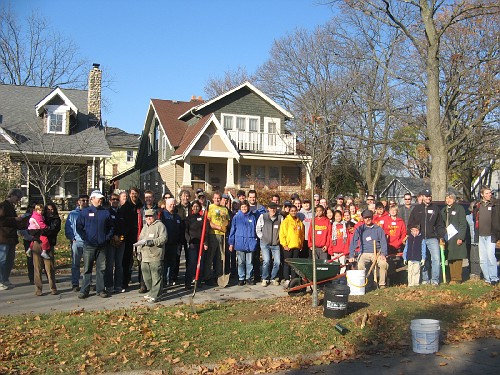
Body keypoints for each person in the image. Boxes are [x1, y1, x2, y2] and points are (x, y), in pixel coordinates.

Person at [76, 190, 114, 299]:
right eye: (98, 198)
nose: (100, 200)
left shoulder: (106, 212)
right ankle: (84, 290)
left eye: (101, 198)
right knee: (87, 268)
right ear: (92, 199)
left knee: (101, 268)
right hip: (89, 245)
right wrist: (85, 238)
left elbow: (111, 227)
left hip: (102, 245)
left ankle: (100, 290)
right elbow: (79, 227)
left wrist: (107, 238)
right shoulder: (85, 212)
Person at [408, 189, 446, 285]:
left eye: (429, 196)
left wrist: (441, 236)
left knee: (436, 259)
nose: (428, 198)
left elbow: (440, 224)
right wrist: (413, 230)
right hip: (420, 238)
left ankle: (435, 280)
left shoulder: (435, 208)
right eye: (426, 196)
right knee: (423, 259)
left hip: (432, 238)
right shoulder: (417, 209)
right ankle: (425, 279)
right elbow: (410, 223)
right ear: (422, 197)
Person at [349, 209, 389, 289]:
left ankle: (382, 284)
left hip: (377, 253)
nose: (368, 219)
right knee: (360, 265)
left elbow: (383, 242)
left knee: (383, 264)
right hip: (364, 253)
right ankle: (363, 285)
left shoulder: (378, 229)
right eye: (366, 218)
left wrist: (383, 254)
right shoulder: (360, 229)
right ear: (363, 219)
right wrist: (351, 255)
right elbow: (353, 242)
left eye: (369, 217)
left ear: (372, 218)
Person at [0, 188, 29, 290]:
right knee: (2, 260)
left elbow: (13, 223)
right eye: (18, 197)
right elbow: (2, 220)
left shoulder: (11, 207)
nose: (18, 200)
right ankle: (1, 280)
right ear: (11, 195)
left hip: (11, 237)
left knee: (9, 260)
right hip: (3, 237)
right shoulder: (3, 206)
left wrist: (22, 222)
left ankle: (6, 279)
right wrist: (14, 219)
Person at [137, 209, 167, 303]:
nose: (149, 218)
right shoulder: (145, 227)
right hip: (145, 255)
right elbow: (140, 239)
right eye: (147, 216)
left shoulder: (160, 225)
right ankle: (151, 291)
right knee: (146, 276)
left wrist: (153, 242)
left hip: (156, 255)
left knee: (156, 276)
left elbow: (164, 238)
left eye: (150, 216)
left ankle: (156, 295)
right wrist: (138, 251)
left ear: (155, 216)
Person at [31, 203, 61, 296]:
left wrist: (41, 231)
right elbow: (32, 229)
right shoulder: (39, 217)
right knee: (37, 267)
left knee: (50, 267)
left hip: (48, 245)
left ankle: (53, 288)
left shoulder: (56, 219)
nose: (49, 211)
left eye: (51, 209)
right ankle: (38, 289)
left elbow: (52, 231)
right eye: (47, 209)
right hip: (37, 243)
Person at [472, 186, 499, 286]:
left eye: (490, 193)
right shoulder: (478, 206)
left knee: (491, 256)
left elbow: (497, 221)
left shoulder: (495, 205)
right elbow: (475, 220)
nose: (489, 195)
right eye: (487, 193)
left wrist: (497, 235)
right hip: (480, 235)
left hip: (491, 235)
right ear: (482, 194)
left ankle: (494, 278)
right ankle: (487, 278)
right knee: (482, 259)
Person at [228, 200, 258, 285]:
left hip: (250, 242)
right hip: (240, 242)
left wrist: (255, 241)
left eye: (245, 207)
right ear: (240, 208)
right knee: (241, 262)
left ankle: (249, 277)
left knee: (249, 262)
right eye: (242, 207)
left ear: (248, 207)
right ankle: (241, 278)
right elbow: (232, 230)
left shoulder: (252, 217)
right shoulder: (236, 217)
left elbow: (256, 230)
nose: (244, 208)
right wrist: (231, 243)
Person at [120, 187, 143, 292]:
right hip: (128, 238)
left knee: (141, 260)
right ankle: (125, 281)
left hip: (140, 236)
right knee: (127, 261)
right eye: (132, 193)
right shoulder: (125, 207)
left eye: (136, 193)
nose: (134, 195)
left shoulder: (141, 206)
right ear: (129, 194)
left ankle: (142, 282)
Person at [204, 192, 229, 286]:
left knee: (220, 257)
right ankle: (207, 276)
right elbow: (208, 222)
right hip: (212, 235)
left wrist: (225, 225)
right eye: (215, 198)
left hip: (222, 236)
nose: (217, 199)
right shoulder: (210, 208)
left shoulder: (224, 209)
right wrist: (218, 227)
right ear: (213, 199)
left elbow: (227, 220)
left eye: (219, 198)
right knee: (210, 257)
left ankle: (218, 276)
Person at [441, 193, 467, 284]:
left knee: (458, 257)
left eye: (450, 198)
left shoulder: (459, 209)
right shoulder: (444, 210)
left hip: (457, 236)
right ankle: (452, 277)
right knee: (450, 257)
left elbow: (463, 224)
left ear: (454, 199)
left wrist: (461, 237)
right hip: (448, 236)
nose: (448, 200)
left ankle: (457, 278)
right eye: (447, 198)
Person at [65, 194, 89, 291]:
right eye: (83, 200)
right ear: (78, 202)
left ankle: (87, 283)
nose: (85, 202)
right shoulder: (73, 214)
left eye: (87, 200)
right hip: (76, 241)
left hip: (88, 242)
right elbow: (68, 227)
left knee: (88, 264)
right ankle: (75, 283)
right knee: (76, 263)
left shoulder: (91, 212)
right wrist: (72, 238)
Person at [256, 202, 282, 286]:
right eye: (271, 208)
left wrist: (279, 240)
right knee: (266, 261)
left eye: (274, 208)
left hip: (276, 244)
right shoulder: (263, 217)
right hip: (265, 243)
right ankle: (265, 278)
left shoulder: (280, 218)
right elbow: (258, 228)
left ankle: (273, 278)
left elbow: (283, 230)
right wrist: (262, 237)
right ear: (268, 209)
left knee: (277, 262)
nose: (273, 210)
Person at [184, 200, 208, 289]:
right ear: (191, 208)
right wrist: (189, 241)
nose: (195, 208)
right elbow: (186, 231)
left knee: (200, 264)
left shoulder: (202, 218)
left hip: (201, 244)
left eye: (197, 206)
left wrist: (205, 242)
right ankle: (188, 282)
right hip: (192, 244)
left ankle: (198, 281)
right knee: (192, 263)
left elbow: (205, 231)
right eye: (194, 206)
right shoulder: (188, 219)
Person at [279, 205, 305, 288]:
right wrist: (284, 245)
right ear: (289, 211)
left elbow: (301, 234)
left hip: (296, 246)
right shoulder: (286, 221)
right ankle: (287, 279)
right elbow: (282, 234)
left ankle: (294, 279)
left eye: (295, 211)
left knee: (294, 265)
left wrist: (301, 244)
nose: (293, 212)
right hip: (288, 246)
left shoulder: (299, 222)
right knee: (287, 264)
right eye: (292, 211)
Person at [106, 193, 127, 293]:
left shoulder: (122, 212)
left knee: (119, 264)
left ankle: (118, 285)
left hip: (121, 241)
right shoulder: (107, 212)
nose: (115, 201)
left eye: (117, 200)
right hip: (110, 241)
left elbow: (125, 227)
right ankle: (109, 285)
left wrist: (121, 237)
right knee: (110, 264)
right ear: (110, 200)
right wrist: (112, 236)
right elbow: (107, 227)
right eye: (113, 199)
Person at [161, 198, 182, 286]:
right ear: (166, 205)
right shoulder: (162, 215)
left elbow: (180, 230)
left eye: (174, 204)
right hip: (165, 244)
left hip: (174, 244)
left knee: (173, 262)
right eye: (170, 204)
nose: (172, 206)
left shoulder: (177, 216)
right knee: (165, 263)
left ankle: (171, 279)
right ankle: (164, 281)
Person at [466, 201, 481, 280]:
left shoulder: (480, 217)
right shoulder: (467, 217)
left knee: (478, 258)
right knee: (472, 258)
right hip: (470, 240)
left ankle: (478, 273)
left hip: (479, 240)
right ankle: (472, 273)